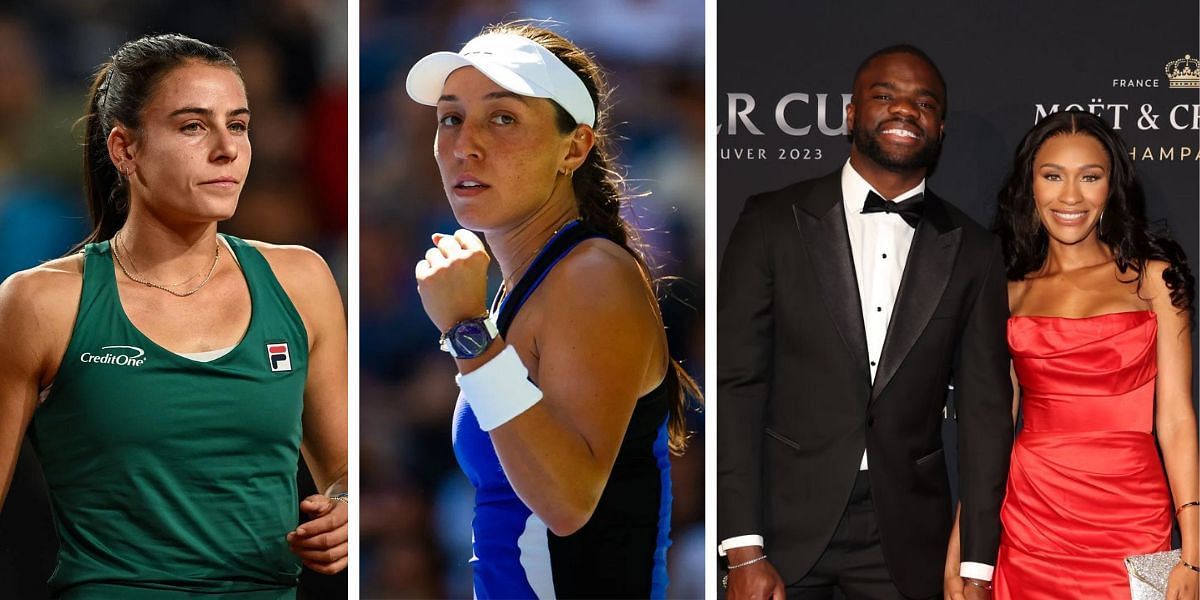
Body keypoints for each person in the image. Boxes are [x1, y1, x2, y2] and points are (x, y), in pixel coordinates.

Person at [0, 34, 348, 598]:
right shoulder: (41, 302)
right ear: (124, 150)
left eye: (237, 125)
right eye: (192, 126)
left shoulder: (302, 280)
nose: (226, 149)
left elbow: (342, 473)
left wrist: (343, 511)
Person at [406, 22, 699, 599]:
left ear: (575, 147)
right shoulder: (538, 280)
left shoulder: (592, 278)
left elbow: (566, 503)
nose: (465, 143)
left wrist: (468, 333)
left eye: (503, 117)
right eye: (450, 117)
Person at [717, 44, 1013, 599]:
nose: (905, 110)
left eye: (923, 102)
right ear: (851, 114)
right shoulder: (772, 221)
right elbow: (736, 387)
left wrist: (975, 567)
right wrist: (742, 548)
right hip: (782, 531)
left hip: (905, 541)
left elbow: (984, 412)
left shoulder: (974, 250)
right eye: (885, 96)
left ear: (940, 127)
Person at [968, 110, 1198, 599]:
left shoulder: (1154, 281)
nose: (1070, 197)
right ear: (1030, 186)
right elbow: (993, 425)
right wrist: (964, 544)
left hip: (1132, 514)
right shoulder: (1007, 294)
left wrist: (1194, 547)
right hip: (1032, 519)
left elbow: (1176, 417)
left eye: (1089, 177)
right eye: (1053, 176)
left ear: (1110, 187)